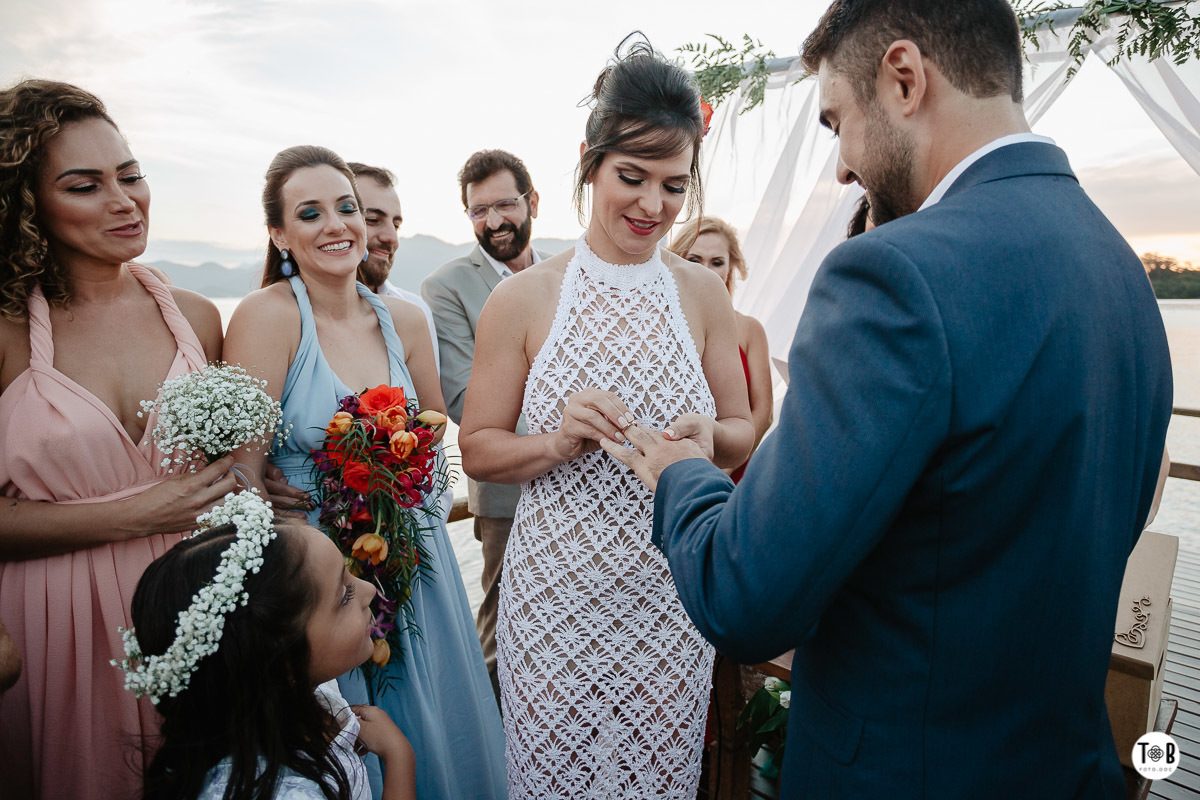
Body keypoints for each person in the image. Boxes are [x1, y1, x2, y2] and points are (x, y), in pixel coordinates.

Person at [602, 2, 1173, 798]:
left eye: (837, 122)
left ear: (903, 80)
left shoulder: (894, 276)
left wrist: (679, 474)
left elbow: (745, 598)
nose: (841, 168)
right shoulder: (1119, 267)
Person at [458, 40, 754, 798]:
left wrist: (706, 440)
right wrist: (558, 441)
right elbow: (480, 449)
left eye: (673, 185)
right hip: (553, 598)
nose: (652, 206)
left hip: (668, 597)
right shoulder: (522, 300)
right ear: (588, 161)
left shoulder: (702, 295)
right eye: (632, 177)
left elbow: (745, 427)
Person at [222, 145, 505, 800]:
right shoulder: (268, 318)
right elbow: (241, 479)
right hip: (322, 581)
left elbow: (434, 432)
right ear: (279, 234)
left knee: (440, 728)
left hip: (416, 563)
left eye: (346, 207)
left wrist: (397, 467)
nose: (337, 225)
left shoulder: (405, 318)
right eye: (310, 212)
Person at [0, 79, 229, 799]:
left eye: (130, 175)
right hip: (53, 623)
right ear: (28, 203)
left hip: (197, 609)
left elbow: (230, 469)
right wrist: (141, 514)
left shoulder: (195, 316)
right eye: (85, 185)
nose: (124, 200)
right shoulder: (5, 334)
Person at [123, 493, 416, 800]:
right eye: (344, 597)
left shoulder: (303, 695)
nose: (369, 590)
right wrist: (398, 758)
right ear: (279, 656)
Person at [420, 149, 549, 701]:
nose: (494, 221)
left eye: (504, 204)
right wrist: (570, 419)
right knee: (505, 632)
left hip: (590, 488)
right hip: (507, 494)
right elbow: (464, 399)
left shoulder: (567, 271)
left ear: (532, 202)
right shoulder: (446, 288)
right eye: (478, 211)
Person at [668, 217, 772, 481]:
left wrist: (722, 470)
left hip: (732, 473)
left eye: (717, 262)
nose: (707, 270)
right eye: (694, 260)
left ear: (730, 268)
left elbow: (763, 412)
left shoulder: (749, 329)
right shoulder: (659, 324)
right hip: (671, 469)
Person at [350, 162, 441, 374]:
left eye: (396, 225)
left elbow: (430, 406)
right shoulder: (291, 315)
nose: (392, 238)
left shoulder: (415, 310)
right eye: (372, 220)